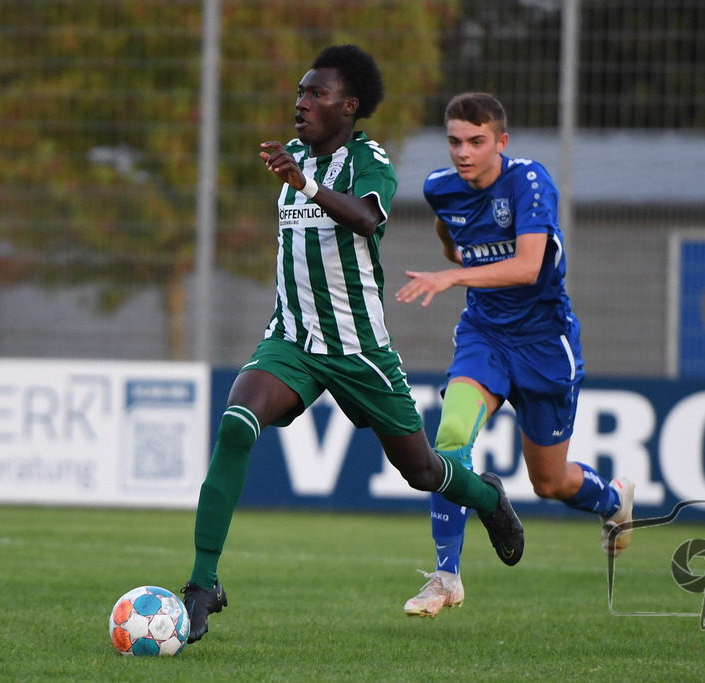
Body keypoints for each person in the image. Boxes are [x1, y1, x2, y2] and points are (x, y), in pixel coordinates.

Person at [180, 49, 524, 645]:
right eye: (299, 92)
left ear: (350, 106)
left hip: (358, 347)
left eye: (316, 94)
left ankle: (484, 494)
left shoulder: (368, 161)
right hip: (291, 339)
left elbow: (367, 219)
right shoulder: (295, 166)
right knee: (237, 424)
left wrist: (305, 181)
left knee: (420, 470)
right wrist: (300, 176)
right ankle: (202, 584)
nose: (302, 102)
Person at [395, 92, 635, 618]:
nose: (464, 152)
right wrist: (455, 260)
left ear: (500, 142)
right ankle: (445, 577)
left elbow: (528, 266)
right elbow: (449, 234)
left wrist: (454, 273)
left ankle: (612, 499)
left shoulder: (528, 181)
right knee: (450, 437)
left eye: (477, 142)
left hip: (546, 344)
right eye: (455, 141)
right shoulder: (440, 189)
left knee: (550, 482)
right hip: (484, 334)